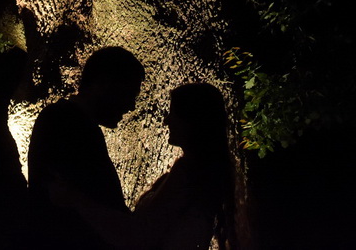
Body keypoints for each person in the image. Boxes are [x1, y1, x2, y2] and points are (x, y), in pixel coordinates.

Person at [53, 82, 235, 250]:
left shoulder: (188, 172)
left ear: (191, 121)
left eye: (173, 114)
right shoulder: (207, 173)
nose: (166, 121)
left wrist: (76, 200)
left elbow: (137, 235)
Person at [26, 46, 146, 250]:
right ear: (104, 83)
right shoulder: (68, 124)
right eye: (129, 94)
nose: (131, 106)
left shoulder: (66, 120)